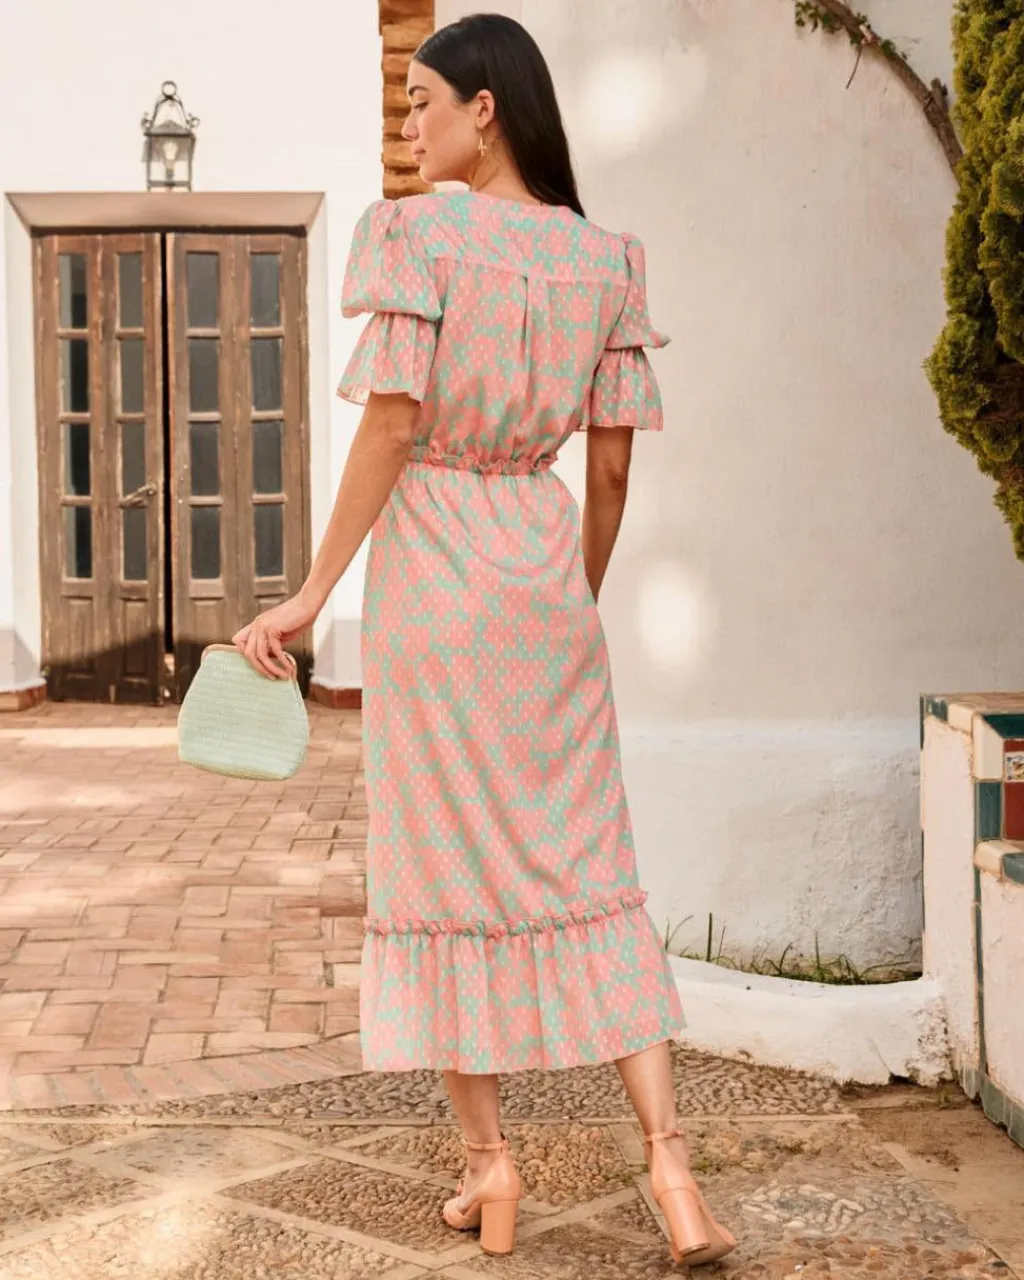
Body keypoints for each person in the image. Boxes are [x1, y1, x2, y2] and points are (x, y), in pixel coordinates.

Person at [232, 11, 736, 1268]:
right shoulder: (607, 262)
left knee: (441, 873)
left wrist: (307, 596)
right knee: (591, 866)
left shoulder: (422, 237)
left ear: (485, 110)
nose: (408, 126)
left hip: (435, 589)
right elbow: (608, 470)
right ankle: (671, 1166)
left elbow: (392, 428)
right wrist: (571, 601)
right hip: (543, 584)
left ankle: (490, 1166)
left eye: (422, 101)